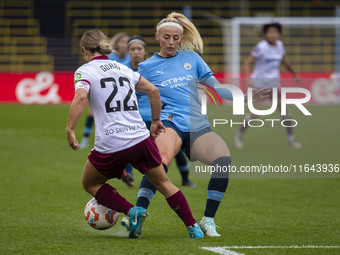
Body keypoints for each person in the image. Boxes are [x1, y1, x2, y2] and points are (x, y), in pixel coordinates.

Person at [132, 12, 270, 237]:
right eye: (166, 37)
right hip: (170, 123)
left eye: (176, 38)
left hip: (197, 124)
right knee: (160, 162)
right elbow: (137, 101)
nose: (171, 42)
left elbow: (218, 88)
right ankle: (138, 214)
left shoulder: (193, 59)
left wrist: (245, 97)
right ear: (157, 36)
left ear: (181, 37)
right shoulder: (146, 67)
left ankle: (208, 220)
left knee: (223, 160)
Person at [66, 29, 204, 239]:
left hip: (111, 143)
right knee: (165, 183)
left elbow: (80, 98)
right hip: (140, 139)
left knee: (90, 183)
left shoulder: (85, 71)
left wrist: (70, 129)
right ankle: (193, 227)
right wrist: (157, 121)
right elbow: (154, 91)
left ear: (84, 49)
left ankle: (133, 211)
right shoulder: (124, 69)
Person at [128, 34, 195, 187]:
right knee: (130, 149)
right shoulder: (123, 70)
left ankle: (185, 178)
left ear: (145, 51)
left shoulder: (152, 67)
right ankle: (129, 176)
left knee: (174, 151)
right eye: (133, 49)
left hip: (157, 117)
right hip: (137, 119)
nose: (136, 52)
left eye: (139, 49)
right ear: (128, 51)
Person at [234, 22, 301, 149]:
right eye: (270, 32)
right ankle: (239, 135)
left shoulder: (280, 45)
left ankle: (291, 139)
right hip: (259, 85)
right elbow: (247, 63)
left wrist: (295, 74)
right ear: (265, 34)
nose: (273, 34)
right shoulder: (261, 47)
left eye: (275, 32)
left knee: (285, 112)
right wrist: (248, 79)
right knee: (255, 113)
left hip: (273, 84)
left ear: (279, 34)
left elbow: (284, 61)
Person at [80, 32, 134, 187]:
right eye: (123, 41)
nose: (126, 44)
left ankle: (123, 171)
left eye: (128, 41)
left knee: (126, 139)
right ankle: (85, 139)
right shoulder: (111, 58)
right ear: (116, 44)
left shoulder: (131, 57)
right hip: (109, 96)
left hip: (127, 97)